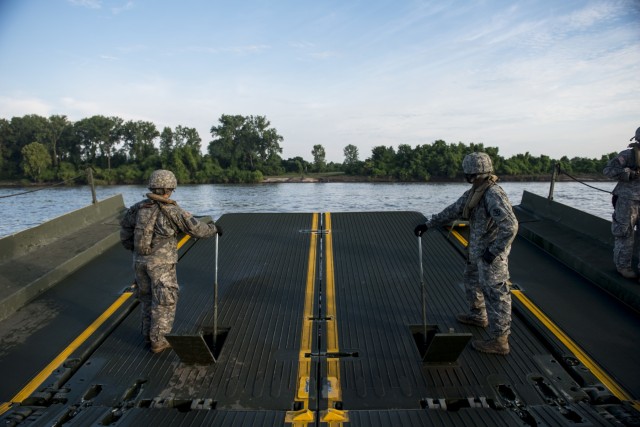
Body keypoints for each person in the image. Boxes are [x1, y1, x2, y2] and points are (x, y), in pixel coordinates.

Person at [414, 152, 518, 355]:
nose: (467, 177)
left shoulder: (493, 194)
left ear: (478, 174)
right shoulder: (475, 192)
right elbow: (454, 209)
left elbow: (511, 226)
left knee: (497, 295)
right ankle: (478, 315)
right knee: (471, 281)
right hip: (476, 252)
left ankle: (500, 340)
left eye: (469, 174)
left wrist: (494, 251)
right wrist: (428, 224)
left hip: (491, 256)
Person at [120, 169, 222, 353]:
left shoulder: (137, 208)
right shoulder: (173, 211)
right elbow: (197, 229)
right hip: (161, 265)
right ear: (170, 188)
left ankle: (147, 335)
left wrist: (135, 250)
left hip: (139, 262)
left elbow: (125, 232)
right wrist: (213, 229)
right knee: (164, 301)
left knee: (146, 298)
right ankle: (158, 341)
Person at [603, 127, 640, 279]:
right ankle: (623, 266)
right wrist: (629, 173)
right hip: (627, 200)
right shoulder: (629, 155)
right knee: (625, 233)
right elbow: (608, 170)